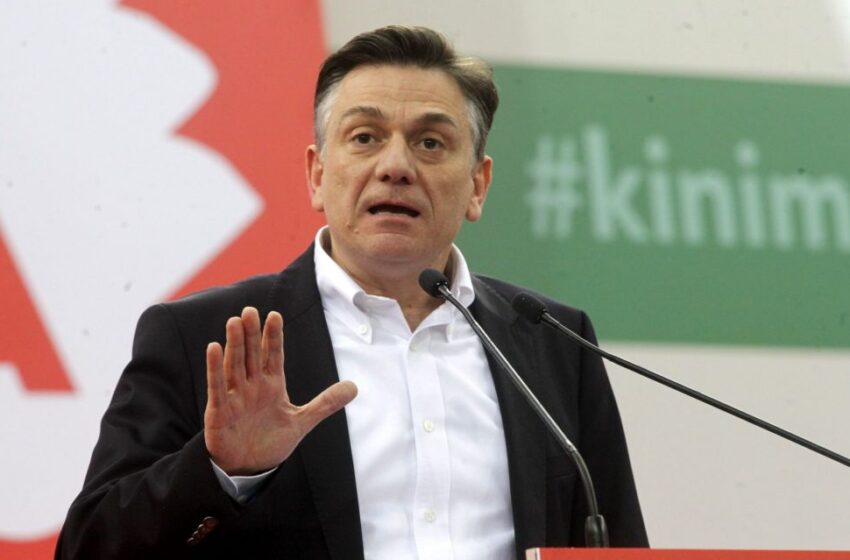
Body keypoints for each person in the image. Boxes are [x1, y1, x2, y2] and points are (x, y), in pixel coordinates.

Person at [56, 25, 648, 559]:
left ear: (478, 185)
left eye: (431, 143)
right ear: (317, 174)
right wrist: (220, 471)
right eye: (365, 137)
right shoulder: (205, 338)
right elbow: (90, 547)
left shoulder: (553, 344)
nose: (395, 166)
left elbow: (618, 545)